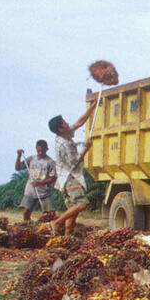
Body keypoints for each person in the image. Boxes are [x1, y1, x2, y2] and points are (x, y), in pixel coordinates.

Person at [45, 99, 99, 236]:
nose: (68, 123)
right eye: (64, 123)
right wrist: (86, 149)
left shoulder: (64, 134)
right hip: (70, 177)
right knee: (82, 204)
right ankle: (56, 223)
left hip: (65, 177)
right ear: (61, 129)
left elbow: (79, 122)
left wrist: (92, 108)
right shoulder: (64, 144)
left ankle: (66, 239)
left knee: (72, 213)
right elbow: (74, 163)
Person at [15, 140, 57, 222]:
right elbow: (18, 168)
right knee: (26, 212)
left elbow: (53, 178)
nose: (40, 152)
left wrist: (39, 183)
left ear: (47, 149)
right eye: (39, 150)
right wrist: (19, 156)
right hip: (30, 190)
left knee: (51, 214)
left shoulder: (50, 162)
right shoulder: (31, 159)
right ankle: (28, 227)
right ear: (36, 149)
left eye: (43, 150)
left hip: (44, 192)